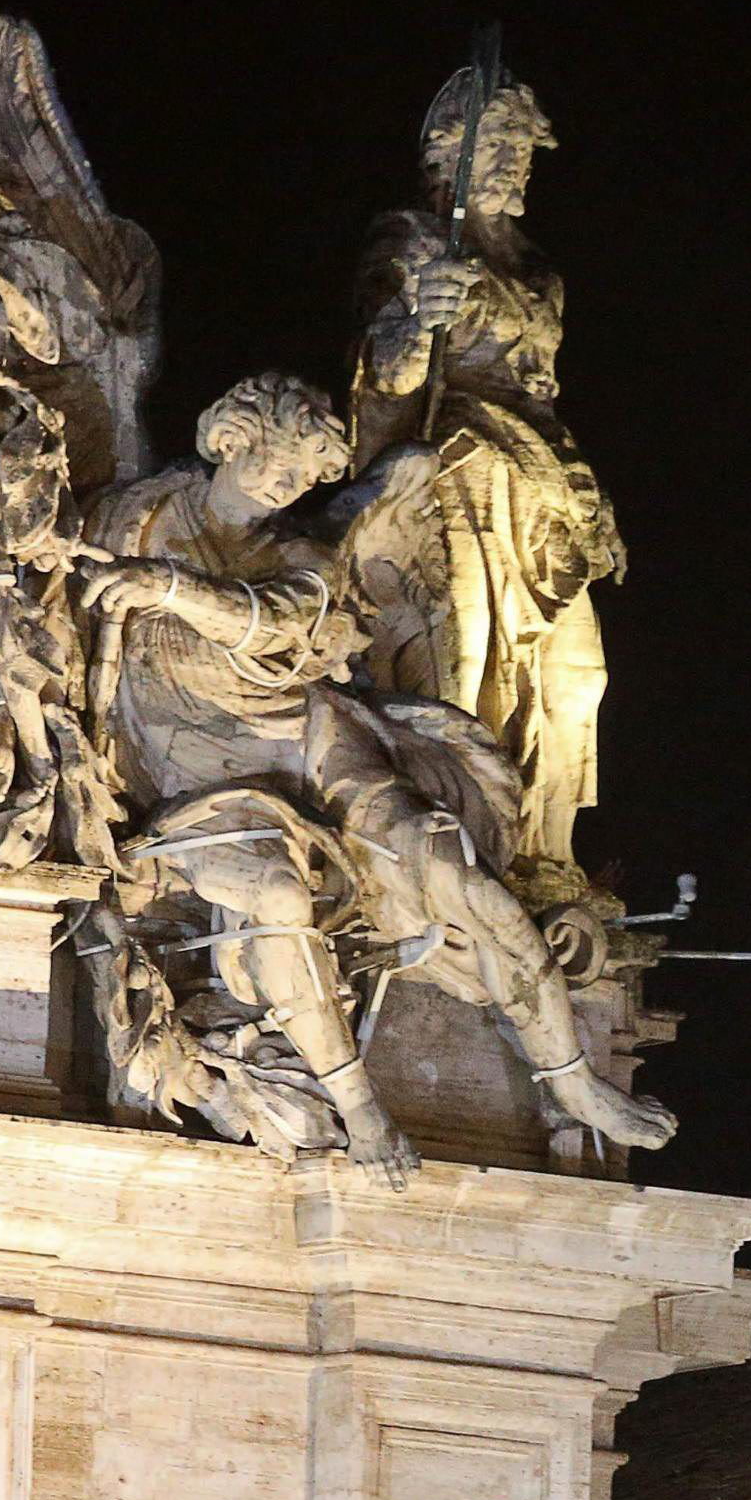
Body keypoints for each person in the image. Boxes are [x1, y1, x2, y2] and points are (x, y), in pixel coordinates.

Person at [79, 373, 675, 1181]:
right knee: (280, 897)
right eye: (273, 469)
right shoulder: (134, 513)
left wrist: (169, 589)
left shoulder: (303, 556)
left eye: (297, 482)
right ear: (227, 441)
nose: (282, 491)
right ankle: (360, 1112)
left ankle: (575, 1083)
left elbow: (284, 622)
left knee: (448, 865)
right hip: (191, 778)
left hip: (311, 744)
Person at [349, 74, 616, 868]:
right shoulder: (411, 242)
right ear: (446, 154)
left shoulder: (538, 274)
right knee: (458, 660)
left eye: (522, 149)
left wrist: (586, 494)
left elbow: (543, 393)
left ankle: (551, 857)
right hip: (457, 479)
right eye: (496, 145)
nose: (515, 163)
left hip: (538, 489)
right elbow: (385, 375)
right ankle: (449, 842)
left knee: (576, 677)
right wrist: (417, 317)